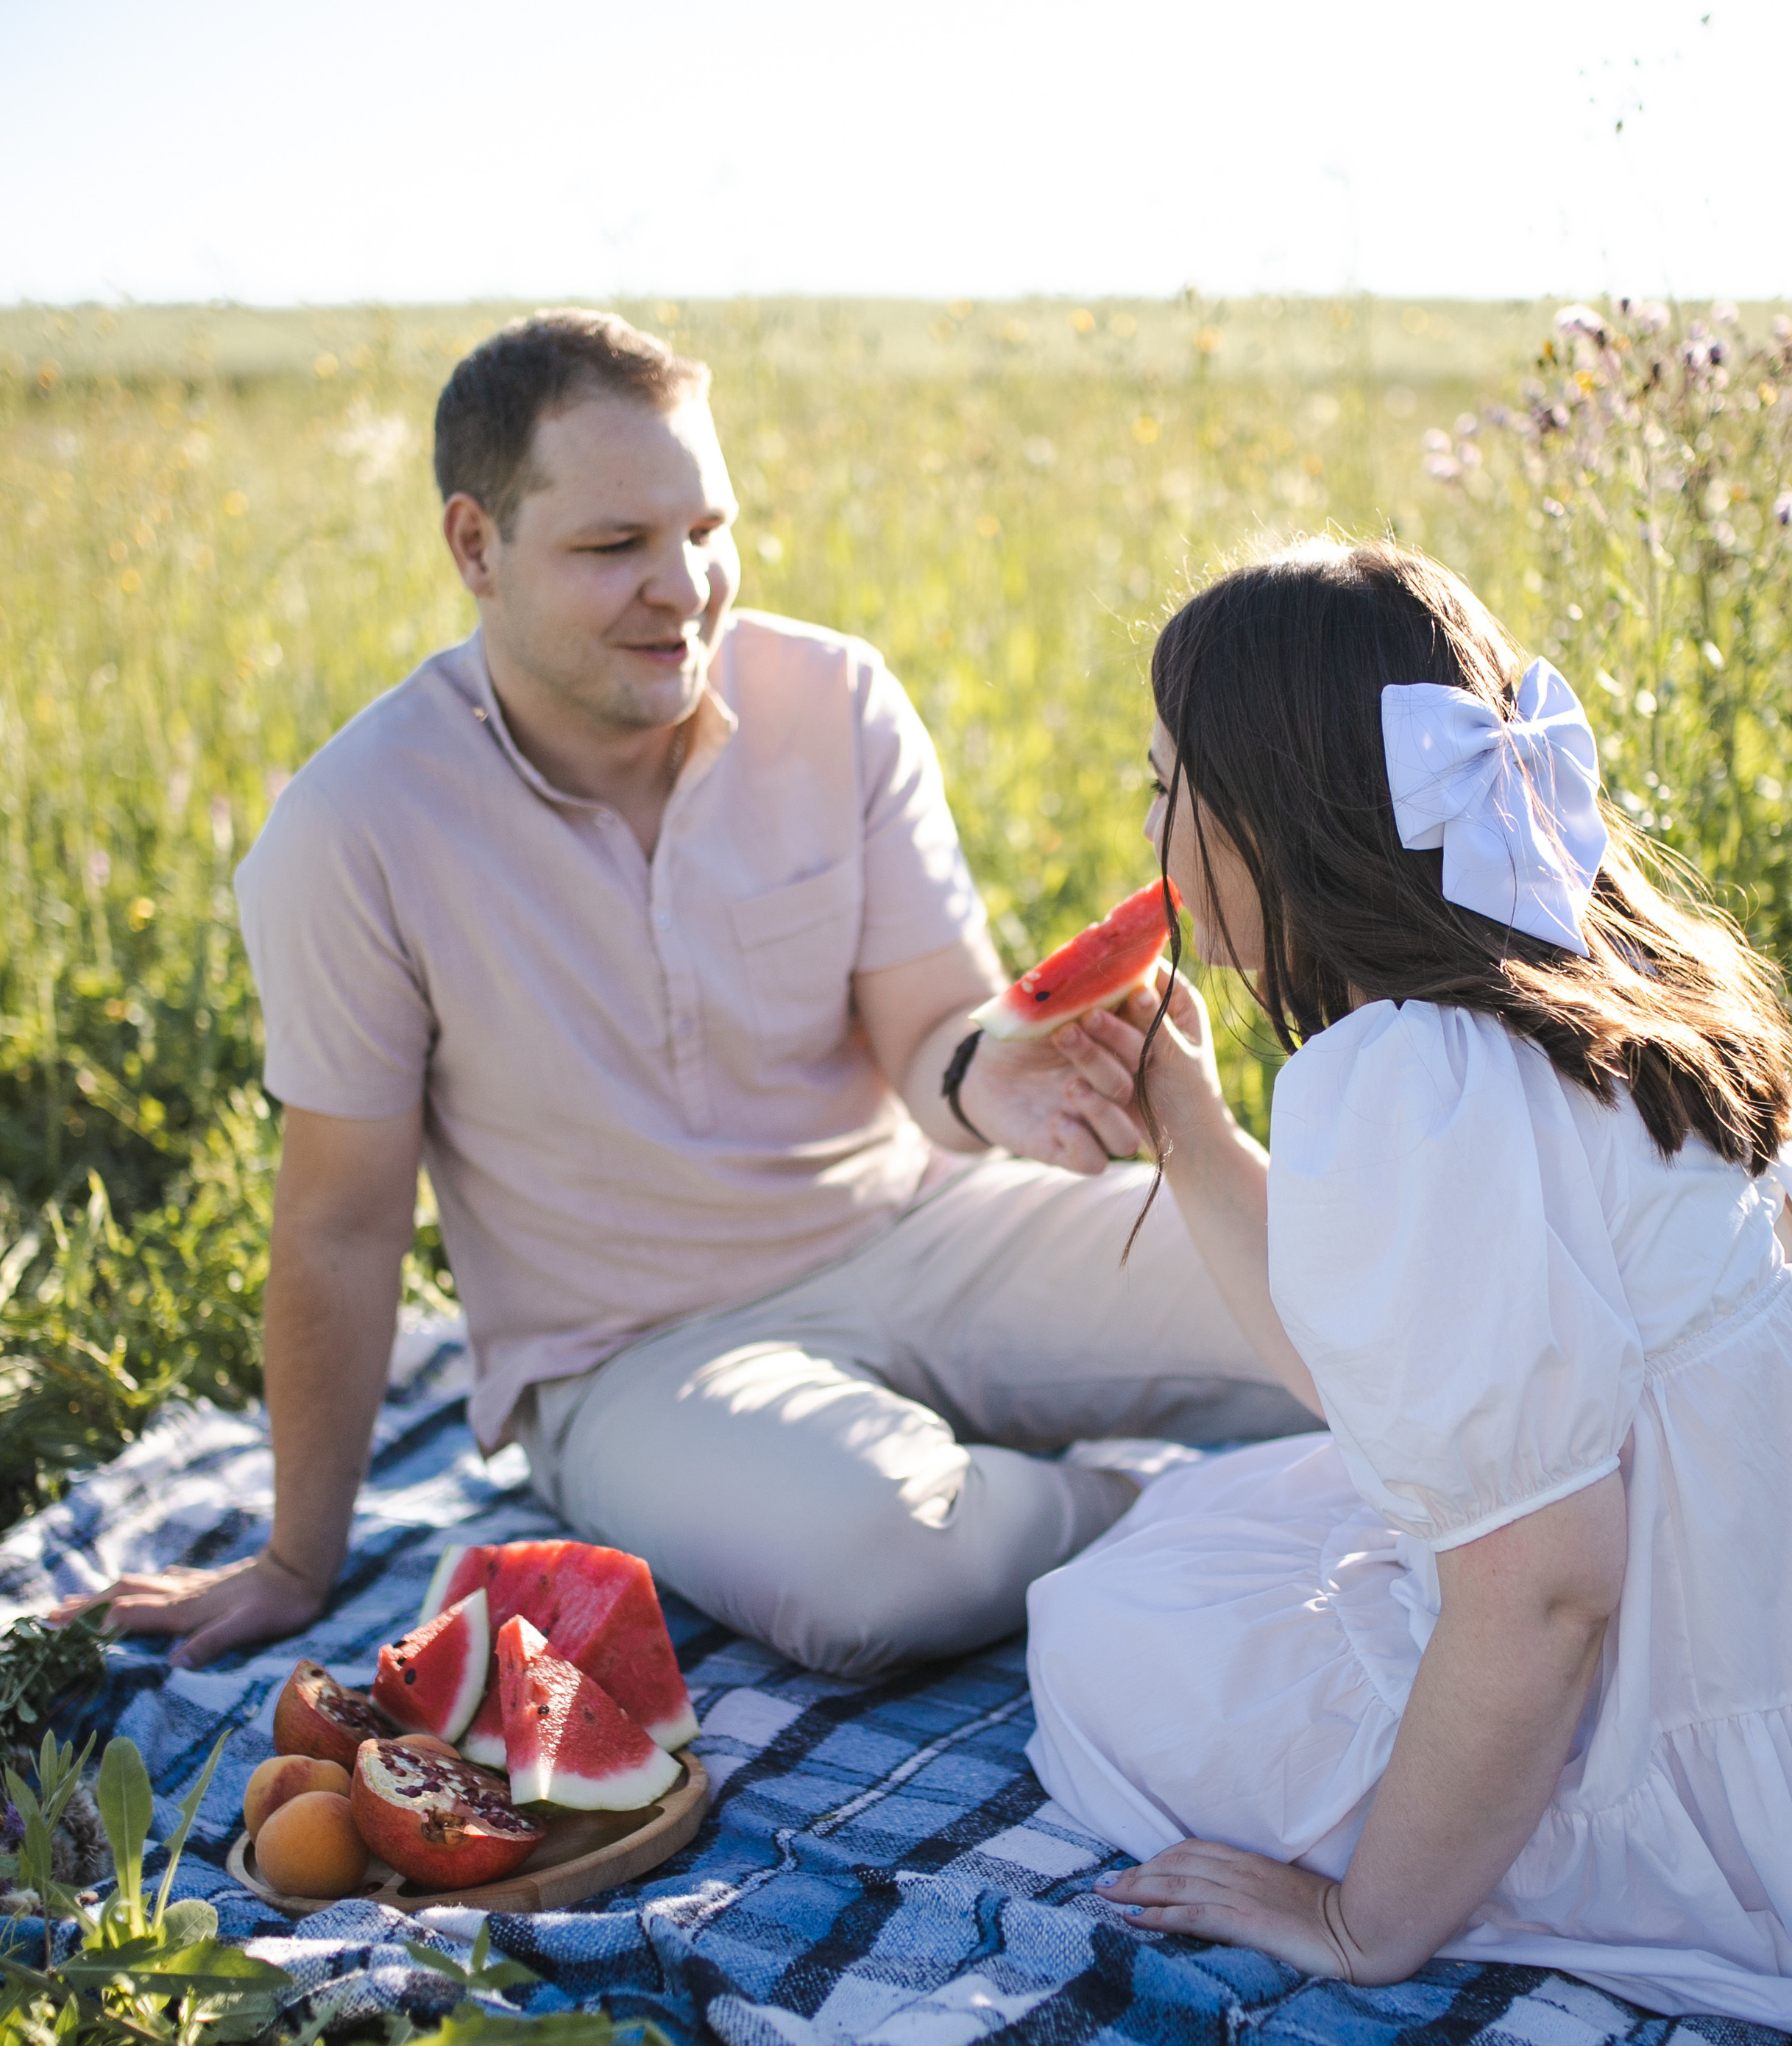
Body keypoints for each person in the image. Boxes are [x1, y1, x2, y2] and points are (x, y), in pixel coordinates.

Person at [94, 309, 1313, 1677]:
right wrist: (295, 1559)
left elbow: (932, 1038)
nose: (685, 587)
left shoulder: (838, 699)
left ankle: (1025, 1478)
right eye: (615, 547)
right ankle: (1156, 1503)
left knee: (1351, 1301)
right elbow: (341, 1224)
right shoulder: (352, 829)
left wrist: (992, 1078)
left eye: (707, 528)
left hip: (931, 1227)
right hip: (634, 1356)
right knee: (873, 1575)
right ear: (474, 548)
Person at [1027, 537, 1792, 2046]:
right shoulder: (1605, 977)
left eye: (1165, 786)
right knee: (1191, 1525)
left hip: (1677, 1709)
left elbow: (1547, 1591)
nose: (1147, 832)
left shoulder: (1410, 1083)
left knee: (1102, 1641)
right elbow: (1390, 1376)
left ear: (1269, 819)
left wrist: (1360, 1922)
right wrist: (1189, 1131)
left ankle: (1511, 1868)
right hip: (1782, 1604)